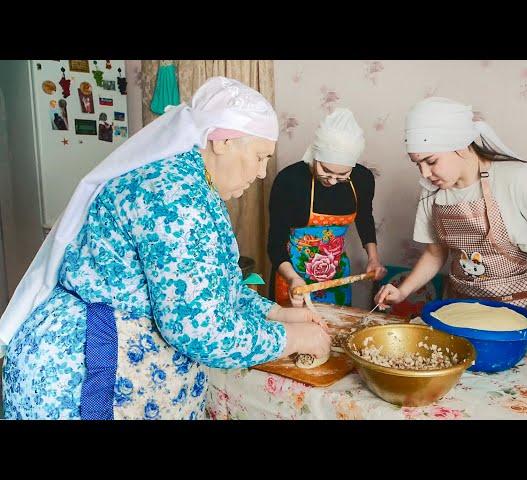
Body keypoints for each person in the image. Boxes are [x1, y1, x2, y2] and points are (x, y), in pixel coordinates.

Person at [0, 76, 330, 420]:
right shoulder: (176, 198)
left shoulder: (188, 182)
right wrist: (292, 338)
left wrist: (275, 313)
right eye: (260, 156)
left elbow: (213, 285)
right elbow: (201, 329)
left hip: (91, 354)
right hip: (85, 372)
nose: (262, 172)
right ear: (223, 142)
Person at [375, 97, 527, 327]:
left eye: (431, 161)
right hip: (458, 311)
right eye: (418, 164)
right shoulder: (431, 192)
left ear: (461, 145)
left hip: (519, 310)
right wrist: (402, 291)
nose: (425, 173)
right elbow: (436, 254)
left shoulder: (517, 179)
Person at [268, 108, 386, 307]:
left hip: (335, 276)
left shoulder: (362, 179)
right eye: (326, 171)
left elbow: (364, 217)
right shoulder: (290, 180)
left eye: (342, 176)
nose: (332, 181)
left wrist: (373, 258)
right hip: (292, 274)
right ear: (315, 155)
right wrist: (292, 279)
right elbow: (275, 242)